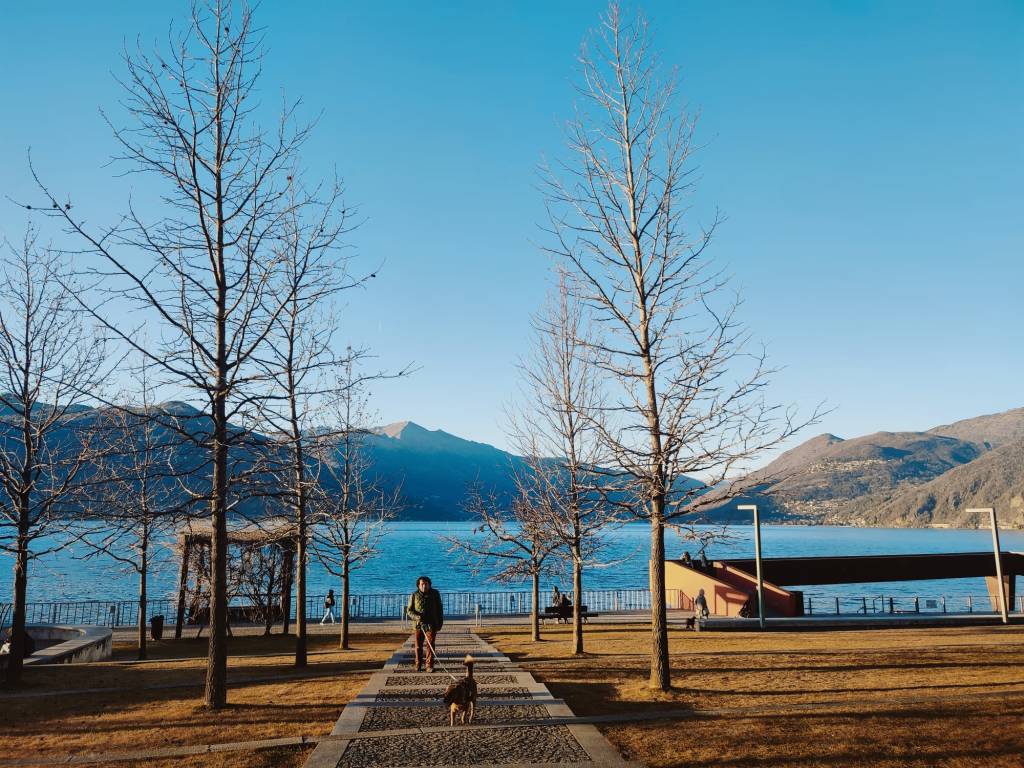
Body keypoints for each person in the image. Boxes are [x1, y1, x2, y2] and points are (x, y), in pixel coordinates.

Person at [407, 575, 444, 672]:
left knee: (430, 644)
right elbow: (409, 611)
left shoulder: (435, 593)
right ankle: (418, 664)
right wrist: (416, 617)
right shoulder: (414, 595)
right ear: (418, 585)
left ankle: (429, 665)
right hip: (419, 625)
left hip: (431, 624)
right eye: (422, 584)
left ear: (429, 585)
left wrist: (440, 623)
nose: (424, 586)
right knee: (418, 645)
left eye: (426, 584)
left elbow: (439, 609)